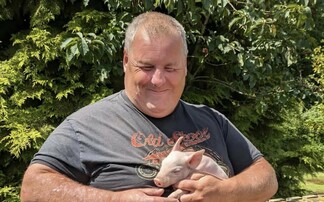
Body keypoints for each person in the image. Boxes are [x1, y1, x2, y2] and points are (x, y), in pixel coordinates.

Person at [20, 11, 278, 202]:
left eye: (170, 68)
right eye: (146, 67)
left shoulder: (212, 120)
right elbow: (33, 188)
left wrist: (224, 191)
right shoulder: (85, 125)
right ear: (125, 61)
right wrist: (116, 200)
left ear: (185, 66)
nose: (158, 80)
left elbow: (266, 179)